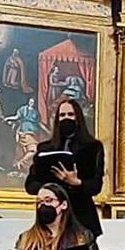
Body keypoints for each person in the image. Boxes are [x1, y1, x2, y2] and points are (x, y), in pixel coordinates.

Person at [24, 98, 105, 236]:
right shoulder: (45, 148)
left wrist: (76, 182)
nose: (66, 119)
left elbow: (96, 185)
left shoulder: (92, 147)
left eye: (70, 115)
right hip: (51, 219)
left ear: (78, 117)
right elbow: (30, 185)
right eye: (62, 115)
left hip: (81, 217)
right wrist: (49, 189)